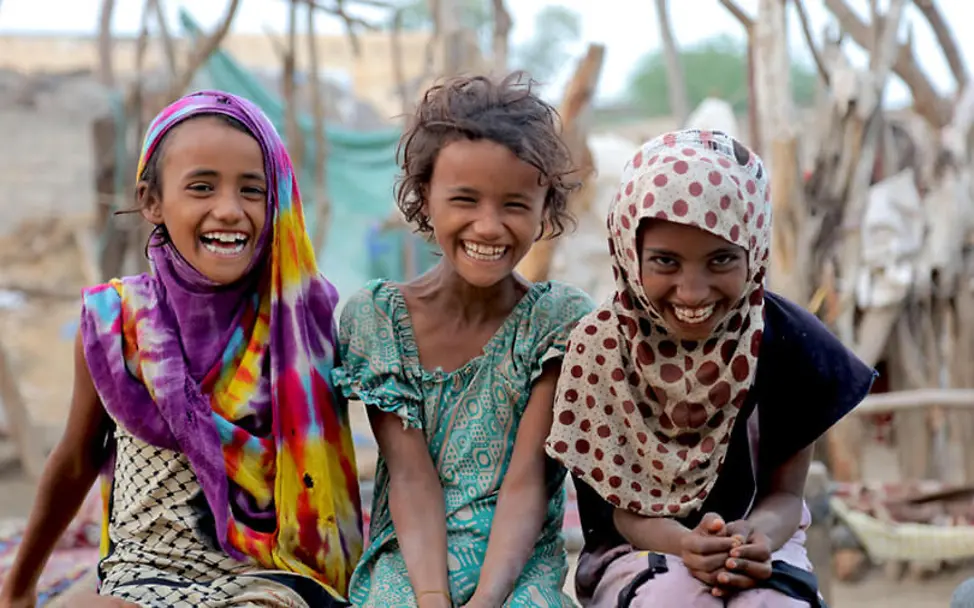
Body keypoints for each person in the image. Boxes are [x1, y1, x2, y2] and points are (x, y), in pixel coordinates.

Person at [0, 90, 362, 608]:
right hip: (142, 574)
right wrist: (17, 589)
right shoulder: (115, 323)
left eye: (252, 190)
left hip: (270, 579)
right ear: (152, 201)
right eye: (201, 187)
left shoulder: (306, 323)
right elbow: (76, 459)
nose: (229, 210)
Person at [546, 129, 876, 607]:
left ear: (754, 252)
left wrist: (753, 541)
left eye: (721, 259)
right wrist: (686, 546)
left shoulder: (783, 341)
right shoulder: (601, 351)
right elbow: (615, 516)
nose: (693, 291)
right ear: (628, 253)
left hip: (765, 543)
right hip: (635, 550)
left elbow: (785, 496)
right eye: (665, 262)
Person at [332, 73, 594, 607]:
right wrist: (431, 598)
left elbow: (528, 481)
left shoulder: (556, 323)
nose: (489, 226)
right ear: (425, 197)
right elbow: (409, 478)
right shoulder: (379, 320)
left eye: (515, 205)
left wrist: (486, 600)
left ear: (546, 208)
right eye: (465, 200)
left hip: (517, 567)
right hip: (410, 558)